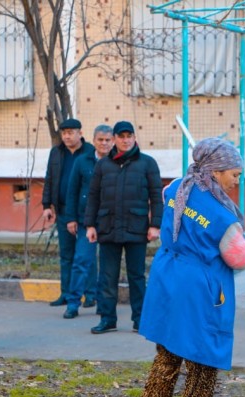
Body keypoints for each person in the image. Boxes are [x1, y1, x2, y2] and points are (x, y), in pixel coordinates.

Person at [128, 138, 245, 397]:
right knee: (204, 358)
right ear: (215, 171)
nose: (237, 180)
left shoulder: (177, 187)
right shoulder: (222, 216)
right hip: (199, 290)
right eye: (234, 174)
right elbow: (238, 258)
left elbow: (169, 202)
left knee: (168, 352)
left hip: (168, 278)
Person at [84, 120, 163, 334]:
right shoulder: (103, 165)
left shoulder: (147, 163)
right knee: (107, 277)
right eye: (121, 136)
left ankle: (140, 321)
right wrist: (90, 225)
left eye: (129, 136)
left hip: (136, 228)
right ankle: (108, 319)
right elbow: (93, 196)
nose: (125, 140)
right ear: (115, 139)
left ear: (134, 138)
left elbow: (157, 197)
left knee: (136, 277)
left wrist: (155, 225)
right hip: (107, 227)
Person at [41, 118, 95, 307]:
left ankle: (90, 294)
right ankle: (66, 293)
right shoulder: (56, 153)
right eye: (64, 133)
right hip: (63, 210)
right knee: (66, 255)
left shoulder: (90, 152)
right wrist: (47, 205)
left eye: (71, 132)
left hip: (86, 213)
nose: (67, 136)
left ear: (80, 133)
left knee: (85, 255)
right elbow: (49, 178)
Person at [62, 125, 113, 319]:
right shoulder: (83, 161)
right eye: (100, 140)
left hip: (110, 221)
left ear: (113, 141)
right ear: (94, 141)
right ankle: (73, 303)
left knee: (108, 265)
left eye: (108, 140)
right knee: (81, 261)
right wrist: (71, 218)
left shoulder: (118, 162)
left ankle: (104, 304)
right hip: (86, 220)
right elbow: (72, 191)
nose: (104, 143)